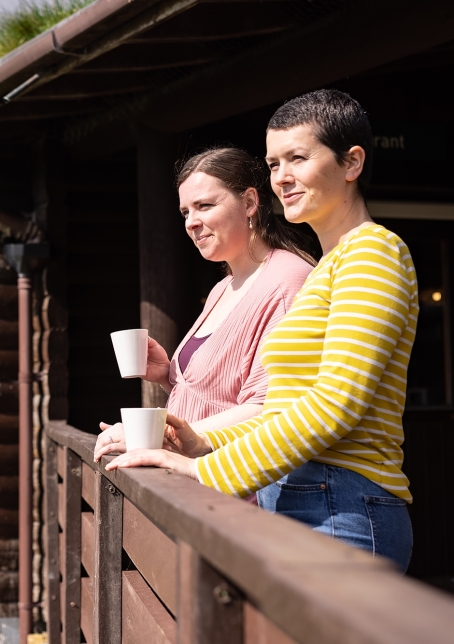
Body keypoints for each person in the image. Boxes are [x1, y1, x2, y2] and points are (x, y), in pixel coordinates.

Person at [106, 89, 418, 571]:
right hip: (304, 498)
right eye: (273, 164)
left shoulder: (373, 252)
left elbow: (337, 404)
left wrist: (203, 468)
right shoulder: (330, 267)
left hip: (342, 503)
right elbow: (286, 408)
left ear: (351, 162)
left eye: (297, 158)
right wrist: (197, 439)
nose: (282, 178)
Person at [94, 147, 314, 462]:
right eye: (186, 212)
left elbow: (269, 408)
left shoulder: (286, 281)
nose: (191, 223)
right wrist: (168, 377)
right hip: (193, 482)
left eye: (204, 206)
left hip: (233, 492)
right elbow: (218, 400)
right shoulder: (222, 288)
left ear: (250, 202)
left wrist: (154, 437)